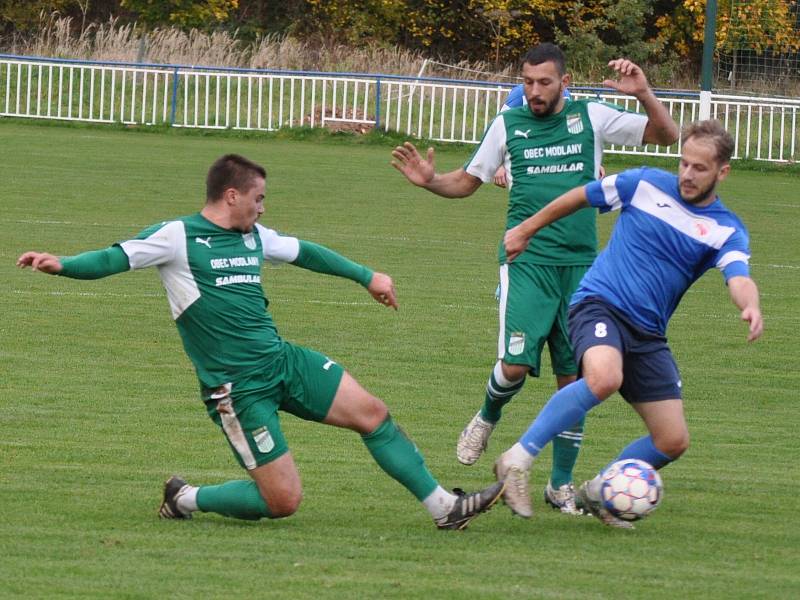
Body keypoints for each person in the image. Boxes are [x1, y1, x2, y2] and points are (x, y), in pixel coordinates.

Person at [16, 154, 504, 530]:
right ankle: (184, 497)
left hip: (282, 361)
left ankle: (444, 507)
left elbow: (305, 252)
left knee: (372, 413)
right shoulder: (177, 236)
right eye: (259, 198)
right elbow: (113, 258)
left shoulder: (254, 236)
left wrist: (367, 275)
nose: (263, 207)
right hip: (237, 390)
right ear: (231, 195)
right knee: (283, 501)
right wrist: (64, 264)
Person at [391, 43, 679, 517]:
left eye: (544, 82)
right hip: (526, 260)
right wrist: (429, 180)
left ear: (565, 82)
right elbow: (468, 180)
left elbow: (664, 135)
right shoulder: (509, 124)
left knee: (577, 381)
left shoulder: (592, 118)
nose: (534, 91)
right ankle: (487, 416)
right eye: (527, 81)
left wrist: (645, 93)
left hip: (585, 271)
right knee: (515, 366)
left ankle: (560, 485)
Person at [494, 119, 763, 527]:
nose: (687, 175)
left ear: (722, 172)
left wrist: (751, 305)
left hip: (648, 334)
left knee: (672, 440)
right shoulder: (643, 183)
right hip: (599, 304)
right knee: (604, 377)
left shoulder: (726, 229)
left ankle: (601, 491)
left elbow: (739, 276)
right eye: (684, 164)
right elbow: (580, 196)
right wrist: (527, 228)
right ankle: (516, 459)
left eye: (700, 168)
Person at [493, 84, 572, 188]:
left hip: (554, 158)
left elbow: (572, 132)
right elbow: (498, 128)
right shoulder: (520, 94)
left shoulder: (564, 94)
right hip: (525, 159)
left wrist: (590, 162)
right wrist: (500, 164)